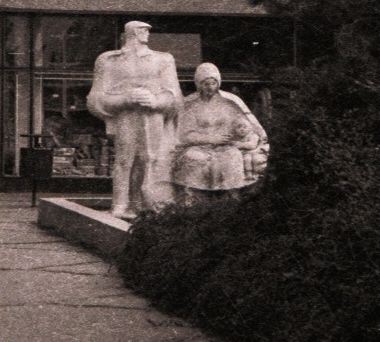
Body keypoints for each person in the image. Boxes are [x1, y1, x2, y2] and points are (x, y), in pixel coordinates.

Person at [86, 20, 182, 220]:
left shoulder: (163, 60)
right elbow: (95, 99)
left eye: (148, 30)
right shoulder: (108, 60)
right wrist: (124, 99)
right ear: (131, 33)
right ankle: (120, 203)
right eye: (142, 29)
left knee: (149, 159)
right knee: (124, 160)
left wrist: (155, 101)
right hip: (126, 116)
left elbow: (175, 98)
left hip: (153, 115)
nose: (147, 33)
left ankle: (146, 201)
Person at [170, 63, 268, 200]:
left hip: (227, 146)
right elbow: (184, 134)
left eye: (213, 83)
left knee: (232, 157)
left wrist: (241, 139)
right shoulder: (190, 104)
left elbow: (246, 125)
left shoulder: (230, 102)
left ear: (219, 83)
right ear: (198, 84)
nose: (210, 87)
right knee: (193, 158)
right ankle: (194, 200)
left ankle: (231, 198)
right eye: (206, 83)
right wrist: (210, 139)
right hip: (198, 147)